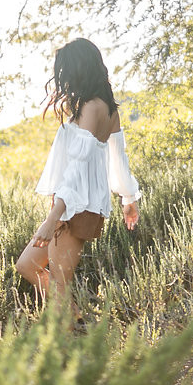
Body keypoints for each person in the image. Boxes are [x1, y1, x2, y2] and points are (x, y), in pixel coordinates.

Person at [15, 38, 141, 326]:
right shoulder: (108, 108)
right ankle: (78, 323)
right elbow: (118, 159)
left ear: (79, 70)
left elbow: (76, 168)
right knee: (28, 265)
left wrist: (52, 218)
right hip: (77, 203)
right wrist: (128, 198)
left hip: (75, 206)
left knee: (59, 284)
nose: (63, 80)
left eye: (66, 72)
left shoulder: (90, 107)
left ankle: (70, 342)